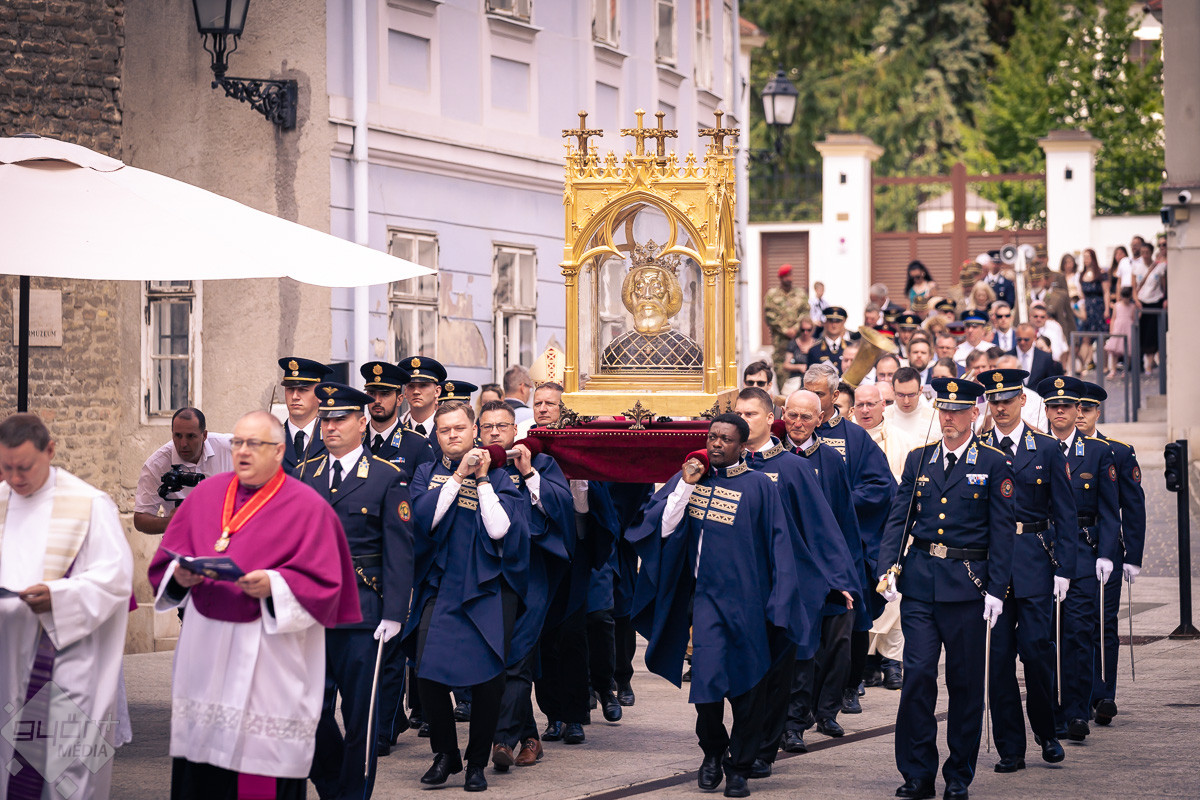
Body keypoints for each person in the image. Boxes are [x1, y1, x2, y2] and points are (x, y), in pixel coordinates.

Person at [149, 410, 361, 800]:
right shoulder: (205, 496)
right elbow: (165, 563)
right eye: (238, 443)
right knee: (203, 770)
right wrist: (179, 576)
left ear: (278, 451)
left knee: (261, 764)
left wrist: (275, 585)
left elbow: (327, 585)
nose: (242, 452)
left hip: (269, 655)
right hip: (206, 653)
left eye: (254, 444)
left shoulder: (307, 507)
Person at [628, 415, 805, 798]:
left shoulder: (760, 486)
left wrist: (780, 602)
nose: (716, 444)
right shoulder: (691, 479)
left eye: (726, 439)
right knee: (706, 690)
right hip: (704, 604)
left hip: (749, 605)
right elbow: (663, 527)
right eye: (712, 437)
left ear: (742, 446)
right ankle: (712, 752)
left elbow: (780, 545)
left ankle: (740, 767)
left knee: (748, 691)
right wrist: (686, 485)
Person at [878, 378, 1015, 800]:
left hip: (968, 585)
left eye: (958, 411)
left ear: (975, 412)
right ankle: (917, 773)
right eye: (944, 410)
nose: (949, 418)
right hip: (921, 582)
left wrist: (997, 589)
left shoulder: (993, 462)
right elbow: (899, 518)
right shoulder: (919, 459)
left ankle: (958, 773)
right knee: (918, 675)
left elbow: (1002, 531)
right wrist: (888, 568)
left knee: (965, 683)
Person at [0, 413, 134, 800]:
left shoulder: (90, 505)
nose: (15, 478)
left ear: (50, 451)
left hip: (69, 667)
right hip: (8, 662)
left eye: (24, 467)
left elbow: (115, 580)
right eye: (6, 467)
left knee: (68, 777)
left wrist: (57, 597)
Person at [404, 400, 527, 792]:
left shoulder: (501, 476)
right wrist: (458, 476)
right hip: (440, 588)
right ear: (436, 435)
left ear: (474, 431)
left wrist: (483, 480)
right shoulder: (426, 473)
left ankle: (476, 763)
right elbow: (423, 519)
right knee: (427, 673)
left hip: (487, 589)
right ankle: (445, 754)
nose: (453, 435)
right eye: (445, 430)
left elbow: (500, 529)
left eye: (459, 428)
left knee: (489, 681)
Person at [734, 388, 856, 775]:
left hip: (787, 584)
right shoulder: (724, 463)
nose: (742, 421)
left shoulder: (796, 467)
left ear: (769, 417)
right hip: (739, 586)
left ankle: (773, 742)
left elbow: (824, 525)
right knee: (741, 672)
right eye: (738, 413)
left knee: (785, 668)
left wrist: (839, 576)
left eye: (750, 414)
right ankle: (740, 742)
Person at [302, 384, 414, 800]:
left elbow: (399, 550)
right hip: (312, 612)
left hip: (363, 613)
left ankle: (353, 794)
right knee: (308, 711)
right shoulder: (305, 474)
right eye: (325, 420)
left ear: (362, 422)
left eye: (340, 419)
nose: (330, 427)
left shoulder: (386, 476)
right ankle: (333, 784)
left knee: (359, 715)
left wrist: (394, 613)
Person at [976, 370, 1075, 772]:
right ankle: (1010, 748)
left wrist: (1065, 568)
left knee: (1036, 652)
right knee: (998, 660)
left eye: (1007, 400)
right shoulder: (979, 448)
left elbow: (1065, 513)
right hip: (992, 569)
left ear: (1021, 400)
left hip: (1035, 560)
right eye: (993, 401)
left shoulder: (1046, 448)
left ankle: (1047, 732)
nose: (1000, 408)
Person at [479, 400, 573, 772]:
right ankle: (530, 736)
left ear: (515, 429)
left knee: (518, 655)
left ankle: (502, 739)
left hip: (533, 569)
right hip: (489, 570)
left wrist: (529, 474)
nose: (495, 432)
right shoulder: (475, 465)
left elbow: (561, 509)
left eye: (502, 426)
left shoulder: (540, 463)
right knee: (497, 656)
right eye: (487, 427)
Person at [806, 363, 897, 716]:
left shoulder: (855, 437)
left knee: (854, 618)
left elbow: (882, 487)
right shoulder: (793, 436)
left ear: (834, 396)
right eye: (807, 392)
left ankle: (850, 686)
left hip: (847, 542)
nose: (812, 400)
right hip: (804, 544)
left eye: (819, 394)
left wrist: (840, 502)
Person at [1035, 376, 1120, 743]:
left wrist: (1107, 554)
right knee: (1045, 637)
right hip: (1044, 551)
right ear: (1046, 410)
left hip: (1084, 553)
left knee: (1078, 634)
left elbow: (1110, 509)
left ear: (1077, 410)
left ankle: (1076, 711)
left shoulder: (1098, 452)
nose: (1060, 412)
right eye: (1053, 406)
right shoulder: (1035, 449)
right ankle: (1054, 711)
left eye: (1067, 406)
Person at [1076, 382, 1146, 727]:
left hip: (1104, 547)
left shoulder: (1117, 451)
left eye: (1086, 409)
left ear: (1098, 413)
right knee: (1074, 625)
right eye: (1074, 408)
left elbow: (1133, 506)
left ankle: (1103, 695)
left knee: (1103, 622)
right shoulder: (1051, 449)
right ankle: (1078, 694)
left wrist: (1132, 555)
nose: (1079, 415)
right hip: (1065, 547)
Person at [134, 407, 233, 534]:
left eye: (191, 436)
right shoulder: (157, 464)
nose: (183, 444)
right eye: (178, 436)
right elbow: (140, 519)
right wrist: (173, 522)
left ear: (204, 435)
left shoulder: (230, 448)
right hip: (182, 539)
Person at [360, 360, 435, 482]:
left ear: (399, 400)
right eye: (372, 393)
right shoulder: (355, 440)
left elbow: (425, 490)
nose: (377, 400)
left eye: (385, 394)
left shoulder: (418, 445)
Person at [279, 356, 334, 475]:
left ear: (320, 394)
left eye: (303, 390)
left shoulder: (332, 437)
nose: (295, 396)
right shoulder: (271, 439)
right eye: (290, 389)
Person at [764, 264, 810, 391]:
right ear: (780, 278)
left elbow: (805, 312)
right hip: (781, 342)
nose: (789, 279)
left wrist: (796, 328)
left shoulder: (800, 294)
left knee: (801, 369)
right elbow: (769, 315)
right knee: (781, 369)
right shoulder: (772, 295)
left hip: (799, 339)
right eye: (786, 276)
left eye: (790, 275)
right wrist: (784, 330)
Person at [399, 356, 447, 442]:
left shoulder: (447, 430)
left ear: (437, 391)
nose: (416, 392)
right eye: (411, 386)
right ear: (405, 392)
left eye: (423, 385)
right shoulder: (397, 431)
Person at [1136, 246, 1167, 372]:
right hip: (1141, 303)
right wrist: (1136, 300)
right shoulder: (1137, 267)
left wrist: (1165, 299)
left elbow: (1164, 286)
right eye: (1142, 252)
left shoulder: (1160, 267)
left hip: (1155, 302)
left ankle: (1149, 363)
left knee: (1152, 334)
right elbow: (1134, 287)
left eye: (1147, 252)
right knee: (1141, 334)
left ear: (1151, 253)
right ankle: (1143, 362)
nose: (1145, 255)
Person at [886, 367, 937, 444]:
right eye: (901, 395)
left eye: (911, 395)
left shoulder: (935, 418)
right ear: (893, 390)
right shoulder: (883, 417)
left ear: (920, 390)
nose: (906, 401)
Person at [806, 307, 852, 371]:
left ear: (843, 323)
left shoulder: (851, 347)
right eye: (831, 321)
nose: (834, 325)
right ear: (825, 323)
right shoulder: (815, 350)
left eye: (837, 321)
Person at [1014, 323, 1054, 387]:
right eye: (1019, 339)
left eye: (1026, 339)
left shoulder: (1045, 357)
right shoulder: (1008, 356)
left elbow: (1050, 383)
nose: (1022, 342)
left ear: (1034, 337)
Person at [784, 319, 818, 390]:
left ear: (813, 330)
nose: (805, 333)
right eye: (803, 330)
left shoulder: (817, 344)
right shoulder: (793, 344)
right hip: (796, 380)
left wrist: (811, 351)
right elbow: (786, 365)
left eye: (809, 330)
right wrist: (799, 367)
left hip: (814, 380)